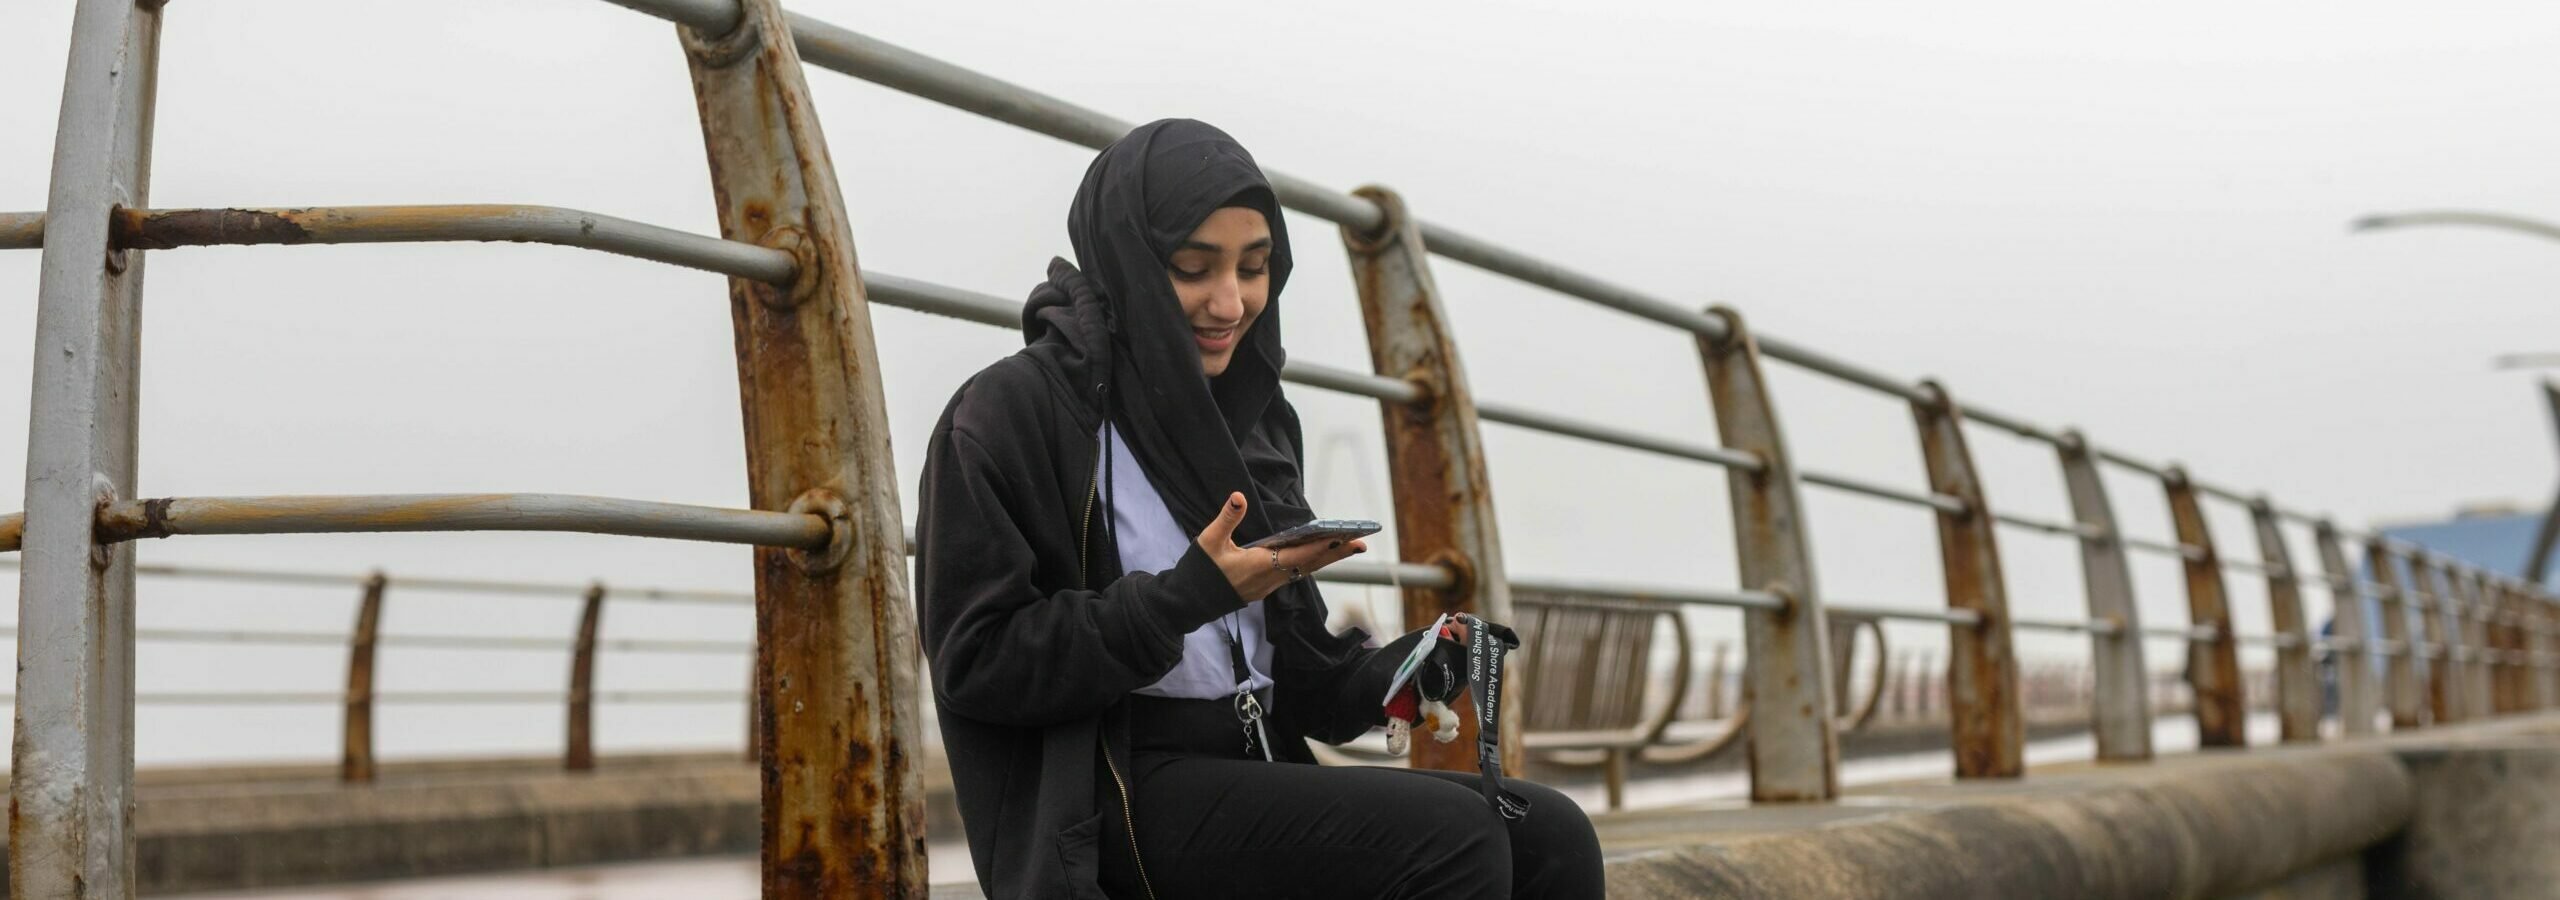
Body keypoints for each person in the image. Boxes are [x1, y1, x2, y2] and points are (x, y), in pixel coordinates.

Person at [916, 118, 1604, 899]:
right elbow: (976, 662)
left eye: (1254, 267)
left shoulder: (1254, 416)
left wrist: (1399, 673)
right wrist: (1183, 599)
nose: (1229, 302)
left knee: (1551, 834)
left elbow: (1300, 681)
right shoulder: (1010, 413)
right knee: (1453, 841)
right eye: (1192, 268)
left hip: (1254, 759)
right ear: (1128, 263)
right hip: (1111, 796)